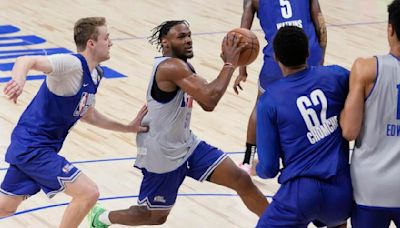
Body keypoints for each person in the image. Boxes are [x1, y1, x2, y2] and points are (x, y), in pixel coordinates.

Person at [88, 20, 269, 227]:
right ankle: (100, 217)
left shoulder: (183, 66)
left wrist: (230, 65)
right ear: (165, 42)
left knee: (241, 180)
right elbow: (210, 101)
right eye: (181, 37)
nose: (188, 40)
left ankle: (280, 223)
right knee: (152, 217)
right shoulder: (170, 67)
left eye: (189, 35)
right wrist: (229, 64)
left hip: (186, 144)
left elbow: (205, 97)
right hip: (161, 152)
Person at [0, 17, 148, 228]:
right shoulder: (71, 64)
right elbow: (25, 60)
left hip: (40, 147)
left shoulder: (96, 74)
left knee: (5, 206)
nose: (111, 43)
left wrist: (128, 127)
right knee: (88, 193)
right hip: (33, 147)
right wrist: (19, 80)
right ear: (91, 43)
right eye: (106, 38)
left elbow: (88, 115)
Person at [256, 26, 352, 227]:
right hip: (342, 195)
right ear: (308, 52)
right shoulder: (337, 76)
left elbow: (269, 168)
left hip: (301, 194)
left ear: (276, 57)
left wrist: (257, 168)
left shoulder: (269, 101)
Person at [234, 0, 327, 175]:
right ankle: (315, 152)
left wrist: (242, 69)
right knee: (310, 101)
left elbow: (243, 35)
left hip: (278, 57)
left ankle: (247, 161)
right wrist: (320, 55)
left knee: (260, 106)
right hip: (308, 51)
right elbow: (320, 22)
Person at [340, 0, 400, 227]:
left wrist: (341, 116)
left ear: (390, 29)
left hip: (370, 188)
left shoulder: (366, 69)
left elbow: (349, 130)